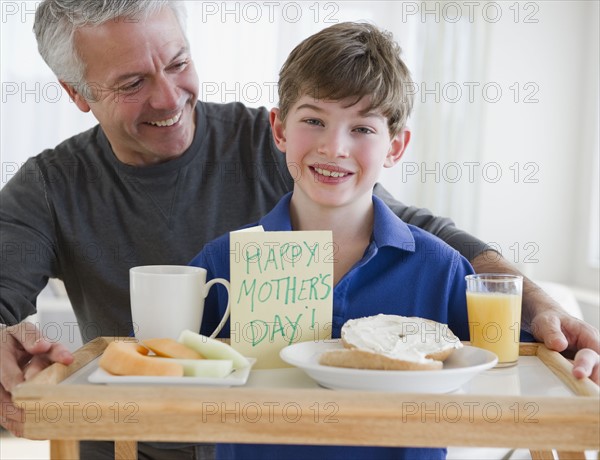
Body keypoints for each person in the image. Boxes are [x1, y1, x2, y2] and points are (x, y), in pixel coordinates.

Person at [0, 0, 597, 455]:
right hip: (140, 442)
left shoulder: (268, 142)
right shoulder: (49, 185)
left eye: (178, 63)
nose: (169, 97)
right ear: (77, 92)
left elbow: (411, 228)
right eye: (132, 83)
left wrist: (530, 300)